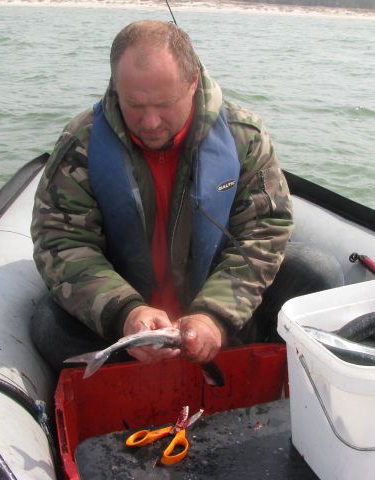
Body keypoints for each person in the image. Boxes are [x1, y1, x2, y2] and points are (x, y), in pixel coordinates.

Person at [30, 19, 341, 373]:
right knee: (49, 326)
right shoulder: (81, 144)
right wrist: (126, 312)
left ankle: (257, 367)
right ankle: (134, 372)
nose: (150, 122)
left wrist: (215, 315)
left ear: (193, 82)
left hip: (221, 306)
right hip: (129, 323)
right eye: (134, 105)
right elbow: (62, 241)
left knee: (318, 274)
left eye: (164, 104)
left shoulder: (245, 137)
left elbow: (264, 231)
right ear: (116, 86)